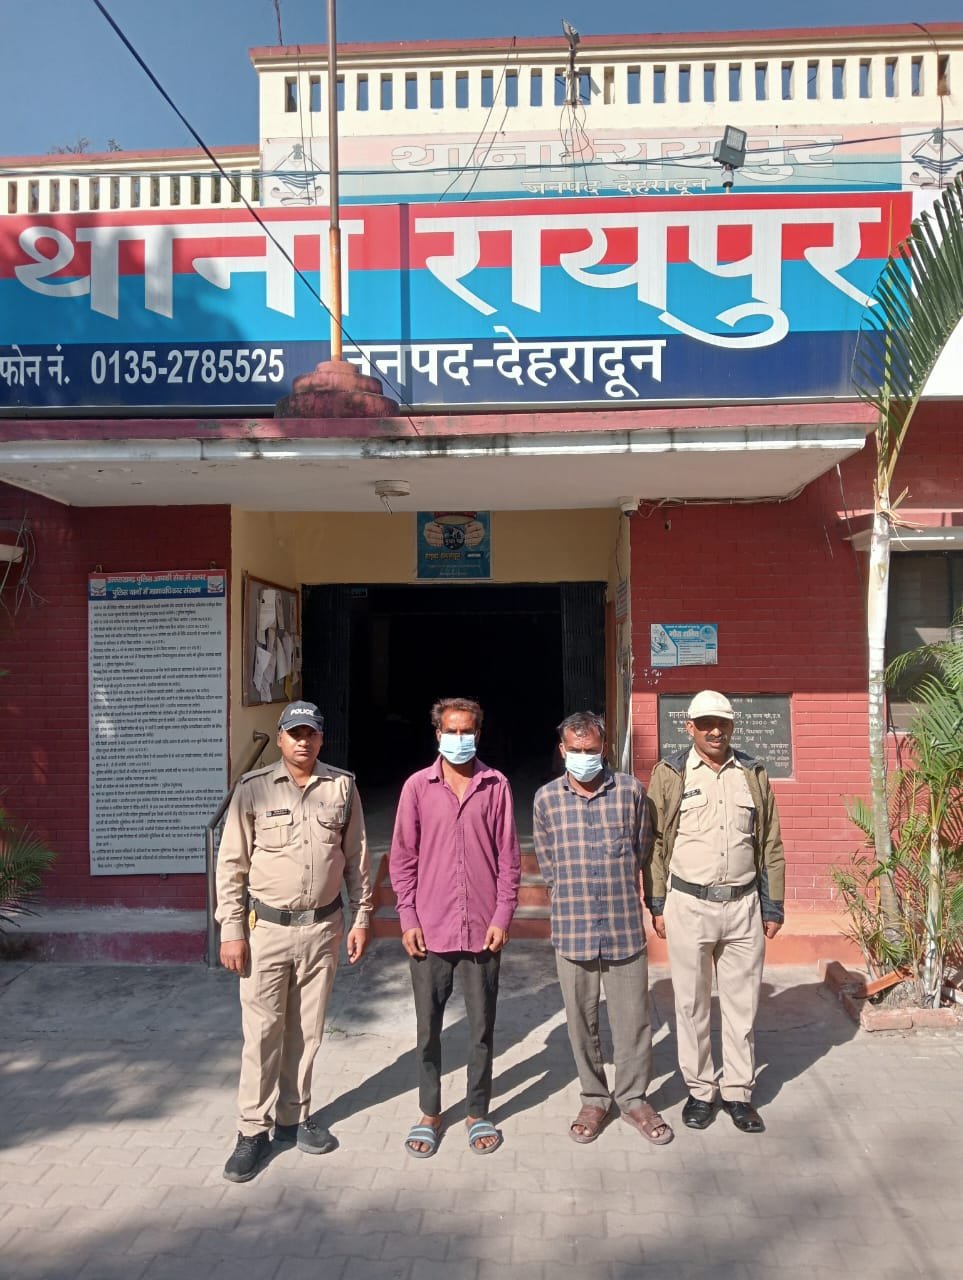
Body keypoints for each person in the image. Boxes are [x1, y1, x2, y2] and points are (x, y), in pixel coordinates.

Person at [216, 700, 371, 1182]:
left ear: (321, 739)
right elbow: (231, 866)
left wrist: (362, 918)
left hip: (323, 929)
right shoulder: (252, 788)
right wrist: (232, 930)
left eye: (311, 734)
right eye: (294, 734)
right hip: (267, 932)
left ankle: (292, 1118)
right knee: (262, 1034)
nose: (303, 742)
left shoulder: (341, 787)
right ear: (281, 738)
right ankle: (251, 1130)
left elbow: (356, 858)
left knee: (307, 1031)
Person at [647, 690, 785, 1134]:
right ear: (689, 727)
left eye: (722, 723)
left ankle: (739, 1092)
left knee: (742, 1005)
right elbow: (656, 844)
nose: (714, 731)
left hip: (744, 906)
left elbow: (770, 842)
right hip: (688, 904)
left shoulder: (752, 772)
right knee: (691, 1004)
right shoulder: (671, 773)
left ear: (732, 726)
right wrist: (657, 903)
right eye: (705, 723)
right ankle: (701, 1090)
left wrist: (773, 904)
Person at [533, 711, 673, 1148]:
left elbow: (643, 849)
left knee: (633, 1020)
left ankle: (633, 1098)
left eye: (591, 750)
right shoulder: (546, 800)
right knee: (581, 1021)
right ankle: (594, 1098)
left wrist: (651, 903)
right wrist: (567, 897)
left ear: (605, 748)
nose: (583, 757)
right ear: (562, 750)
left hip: (622, 925)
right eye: (575, 751)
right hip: (572, 926)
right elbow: (547, 862)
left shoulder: (630, 792)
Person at [390, 697, 521, 1158]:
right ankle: (430, 1111)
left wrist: (503, 915)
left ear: (478, 735)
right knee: (428, 1029)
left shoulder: (495, 785)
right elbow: (403, 858)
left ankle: (477, 1111)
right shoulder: (417, 787)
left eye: (468, 731)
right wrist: (407, 916)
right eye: (452, 731)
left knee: (481, 1028)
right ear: (438, 734)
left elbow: (509, 858)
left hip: (483, 929)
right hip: (431, 929)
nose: (459, 739)